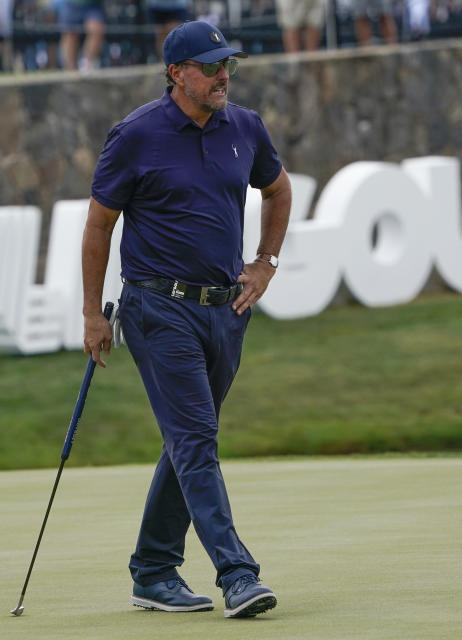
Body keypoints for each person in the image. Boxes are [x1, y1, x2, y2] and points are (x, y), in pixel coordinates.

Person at [81, 20, 291, 619]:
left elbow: (278, 190)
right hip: (157, 307)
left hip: (225, 310)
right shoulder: (135, 135)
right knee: (196, 437)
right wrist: (93, 314)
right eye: (210, 66)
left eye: (228, 64)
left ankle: (152, 570)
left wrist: (265, 263)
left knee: (186, 440)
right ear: (177, 73)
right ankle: (238, 575)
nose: (224, 75)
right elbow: (99, 226)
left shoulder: (243, 127)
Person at [60, 0, 105, 72]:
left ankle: (87, 68)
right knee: (70, 35)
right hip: (72, 4)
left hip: (93, 5)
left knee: (96, 30)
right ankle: (70, 72)